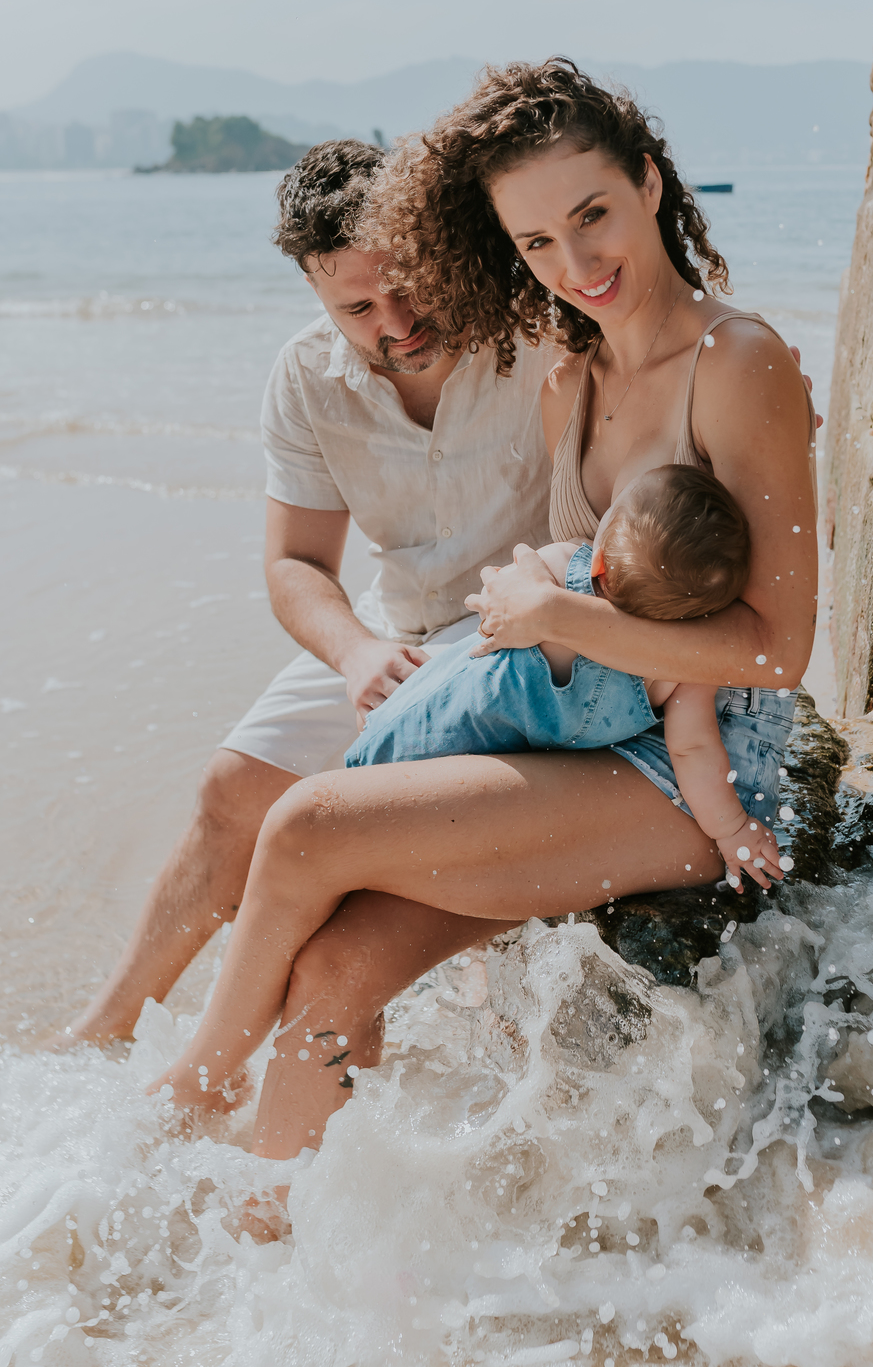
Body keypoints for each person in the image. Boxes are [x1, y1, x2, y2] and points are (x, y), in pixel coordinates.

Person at [150, 58, 820, 1172]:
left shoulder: (736, 363)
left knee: (310, 825)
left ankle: (190, 1090)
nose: (577, 264)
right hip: (575, 735)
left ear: (651, 183)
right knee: (334, 969)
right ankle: (270, 1237)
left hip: (700, 768)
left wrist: (554, 614)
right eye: (536, 245)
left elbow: (779, 648)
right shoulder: (571, 372)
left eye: (592, 215)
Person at [61, 137, 557, 1048]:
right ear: (317, 294)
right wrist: (354, 651)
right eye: (358, 306)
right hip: (390, 626)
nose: (396, 321)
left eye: (408, 285)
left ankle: (325, 1047)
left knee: (346, 832)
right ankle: (106, 1028)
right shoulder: (304, 375)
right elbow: (295, 564)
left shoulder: (538, 328)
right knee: (231, 790)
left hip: (522, 628)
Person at [346, 463, 791, 893]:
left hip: (414, 725)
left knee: (358, 821)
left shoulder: (556, 569)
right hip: (466, 780)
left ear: (598, 556)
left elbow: (494, 603)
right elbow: (694, 749)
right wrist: (732, 829)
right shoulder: (682, 672)